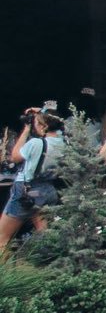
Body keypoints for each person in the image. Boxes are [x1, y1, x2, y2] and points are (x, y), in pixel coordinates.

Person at [0, 104, 66, 249]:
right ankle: (49, 263)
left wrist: (26, 130)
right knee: (45, 235)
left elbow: (15, 157)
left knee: (2, 237)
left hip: (27, 191)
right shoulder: (63, 142)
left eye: (37, 123)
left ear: (44, 126)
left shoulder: (36, 143)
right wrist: (43, 113)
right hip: (48, 190)